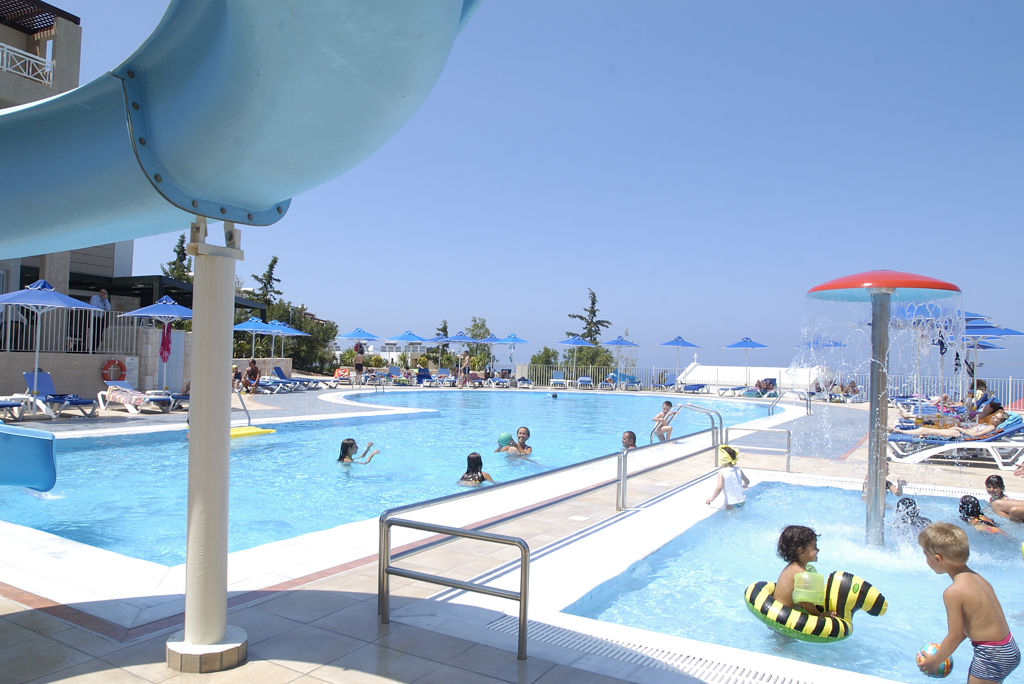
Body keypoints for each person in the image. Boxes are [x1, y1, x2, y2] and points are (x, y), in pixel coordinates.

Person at [916, 522, 1020, 680]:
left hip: (991, 653)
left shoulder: (953, 592)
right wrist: (943, 651)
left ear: (938, 559)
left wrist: (934, 661)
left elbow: (955, 636)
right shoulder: (979, 579)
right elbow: (968, 628)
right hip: (1007, 647)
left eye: (925, 555)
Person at [774, 525, 834, 618]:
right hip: (785, 617)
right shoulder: (801, 573)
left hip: (777, 611)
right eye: (815, 547)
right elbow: (805, 603)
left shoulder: (791, 567)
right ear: (801, 551)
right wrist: (821, 615)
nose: (818, 550)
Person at [706, 445, 749, 509]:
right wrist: (745, 485)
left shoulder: (722, 472)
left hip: (730, 502)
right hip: (742, 500)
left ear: (722, 459)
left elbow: (719, 487)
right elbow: (747, 481)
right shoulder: (738, 470)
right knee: (740, 512)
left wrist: (712, 498)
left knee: (730, 514)